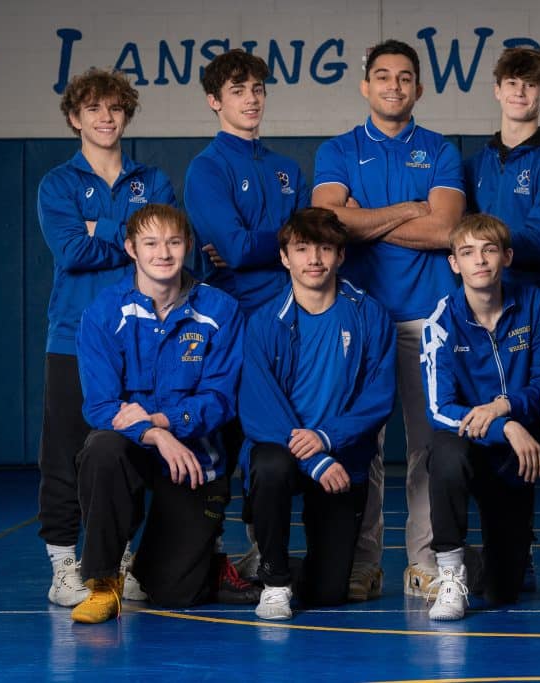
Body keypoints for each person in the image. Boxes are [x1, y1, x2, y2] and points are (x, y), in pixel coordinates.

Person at [312, 39, 465, 600]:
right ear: (365, 86)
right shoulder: (339, 149)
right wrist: (407, 209)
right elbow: (326, 222)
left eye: (404, 77)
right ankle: (365, 562)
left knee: (428, 448)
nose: (393, 86)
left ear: (418, 88)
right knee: (361, 446)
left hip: (428, 319)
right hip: (361, 321)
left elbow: (446, 230)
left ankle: (423, 563)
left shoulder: (440, 150)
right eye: (382, 76)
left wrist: (362, 220)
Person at [71, 203, 254, 624]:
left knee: (177, 593)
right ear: (131, 248)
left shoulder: (220, 310)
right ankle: (103, 583)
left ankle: (177, 563)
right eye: (151, 243)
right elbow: (101, 405)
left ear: (188, 245)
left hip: (194, 455)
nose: (163, 253)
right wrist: (154, 434)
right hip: (131, 447)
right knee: (101, 450)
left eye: (173, 242)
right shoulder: (103, 312)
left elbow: (221, 397)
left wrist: (163, 421)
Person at [36, 67, 176, 607]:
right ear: (75, 118)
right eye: (93, 108)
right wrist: (130, 234)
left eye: (115, 107)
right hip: (73, 337)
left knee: (126, 449)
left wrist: (100, 229)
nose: (105, 117)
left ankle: (118, 559)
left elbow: (162, 244)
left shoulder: (153, 180)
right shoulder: (58, 184)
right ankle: (62, 565)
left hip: (140, 336)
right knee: (65, 454)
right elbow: (72, 250)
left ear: (127, 114)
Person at [184, 48, 311, 580]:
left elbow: (308, 242)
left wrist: (267, 242)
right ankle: (207, 554)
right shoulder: (207, 168)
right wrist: (285, 241)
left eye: (257, 89)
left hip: (288, 322)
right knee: (222, 441)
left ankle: (265, 550)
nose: (251, 99)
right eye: (237, 91)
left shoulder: (286, 169)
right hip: (232, 325)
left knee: (275, 442)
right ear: (214, 101)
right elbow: (236, 251)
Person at [239, 207, 397, 620]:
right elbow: (258, 408)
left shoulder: (370, 315)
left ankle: (289, 572)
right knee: (269, 466)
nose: (314, 259)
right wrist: (313, 458)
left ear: (341, 256)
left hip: (339, 457)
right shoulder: (264, 322)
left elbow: (378, 398)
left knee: (327, 594)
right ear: (284, 257)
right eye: (302, 248)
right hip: (284, 451)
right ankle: (274, 581)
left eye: (325, 248)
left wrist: (328, 439)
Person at [420, 214, 540, 620]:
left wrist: (505, 406)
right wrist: (504, 426)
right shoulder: (440, 321)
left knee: (503, 592)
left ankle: (505, 557)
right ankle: (450, 574)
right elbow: (440, 409)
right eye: (467, 252)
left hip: (518, 451)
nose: (479, 260)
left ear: (506, 257)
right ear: (454, 263)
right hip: (473, 443)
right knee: (445, 454)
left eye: (489, 250)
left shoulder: (534, 303)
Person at [464, 47, 540, 330]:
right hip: (482, 306)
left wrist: (476, 247)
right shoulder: (476, 163)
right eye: (512, 82)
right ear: (497, 90)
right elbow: (457, 230)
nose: (519, 92)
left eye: (530, 85)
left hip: (539, 308)